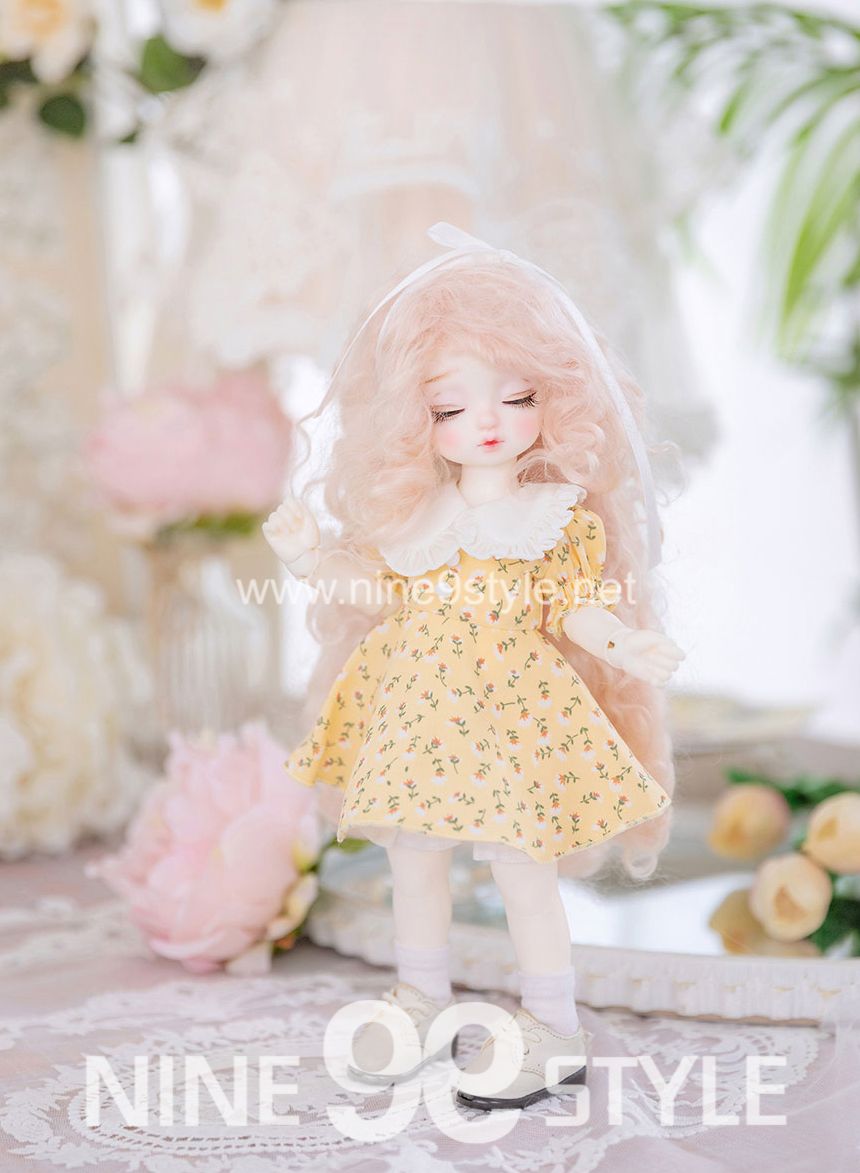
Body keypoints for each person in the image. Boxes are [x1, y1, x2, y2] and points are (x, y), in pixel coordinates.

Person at [263, 224, 684, 1110]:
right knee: (413, 861)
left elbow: (574, 607)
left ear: (555, 400)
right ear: (415, 422)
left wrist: (626, 645)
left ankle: (552, 1023)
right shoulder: (416, 518)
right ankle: (421, 999)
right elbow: (376, 590)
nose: (486, 423)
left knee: (521, 868)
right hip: (416, 711)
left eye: (515, 397)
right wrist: (306, 556)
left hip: (513, 713)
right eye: (451, 409)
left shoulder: (553, 518)